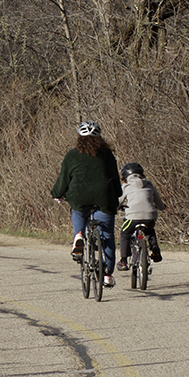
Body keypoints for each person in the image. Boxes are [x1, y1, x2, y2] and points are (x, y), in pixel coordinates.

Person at [51, 120, 123, 286]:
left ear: (79, 137)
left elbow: (64, 178)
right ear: (100, 138)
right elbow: (114, 179)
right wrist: (117, 195)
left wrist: (58, 194)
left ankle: (79, 235)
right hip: (104, 198)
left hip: (79, 196)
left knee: (78, 211)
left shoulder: (71, 155)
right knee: (107, 236)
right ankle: (106, 274)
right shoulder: (107, 155)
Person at [116, 161, 166, 272]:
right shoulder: (149, 184)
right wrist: (162, 207)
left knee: (125, 234)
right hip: (150, 216)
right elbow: (158, 201)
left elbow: (118, 201)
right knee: (150, 230)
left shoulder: (126, 186)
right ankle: (155, 248)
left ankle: (124, 260)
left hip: (133, 217)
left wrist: (116, 207)